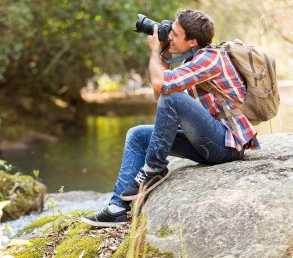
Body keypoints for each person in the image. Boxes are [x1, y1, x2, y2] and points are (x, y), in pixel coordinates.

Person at [81, 9, 259, 227]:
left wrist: (155, 52)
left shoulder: (211, 59)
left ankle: (153, 169)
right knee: (137, 135)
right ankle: (116, 209)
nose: (169, 36)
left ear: (192, 41)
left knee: (172, 96)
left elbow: (163, 88)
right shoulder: (192, 62)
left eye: (174, 33)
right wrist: (165, 56)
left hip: (225, 145)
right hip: (206, 144)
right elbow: (161, 97)